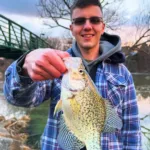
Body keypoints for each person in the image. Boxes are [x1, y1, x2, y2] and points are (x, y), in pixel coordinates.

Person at [3, 0, 142, 149]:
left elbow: (132, 130)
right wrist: (24, 70)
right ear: (71, 28)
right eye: (80, 21)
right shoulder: (55, 62)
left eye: (95, 20)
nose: (87, 26)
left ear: (102, 26)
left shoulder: (123, 73)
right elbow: (20, 100)